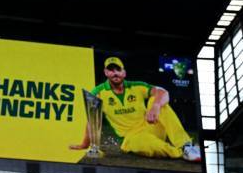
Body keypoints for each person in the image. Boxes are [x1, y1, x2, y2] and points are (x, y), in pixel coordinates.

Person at [70, 56, 201, 162]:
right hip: (131, 138)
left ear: (124, 72)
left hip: (150, 125)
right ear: (105, 72)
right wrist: (85, 144)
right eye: (111, 70)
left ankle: (186, 146)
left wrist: (155, 106)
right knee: (149, 146)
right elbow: (92, 120)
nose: (115, 73)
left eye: (118, 69)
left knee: (157, 101)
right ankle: (178, 153)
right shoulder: (98, 93)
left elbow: (163, 92)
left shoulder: (136, 86)